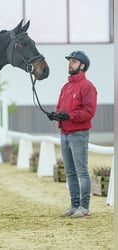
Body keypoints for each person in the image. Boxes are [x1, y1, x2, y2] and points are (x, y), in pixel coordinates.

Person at [47, 51, 97, 218]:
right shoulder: (66, 87)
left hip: (79, 134)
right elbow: (62, 107)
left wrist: (70, 116)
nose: (70, 64)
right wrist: (55, 115)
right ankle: (74, 205)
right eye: (70, 61)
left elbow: (89, 111)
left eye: (74, 61)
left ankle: (84, 207)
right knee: (70, 172)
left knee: (81, 171)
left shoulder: (87, 86)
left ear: (82, 66)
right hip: (65, 133)